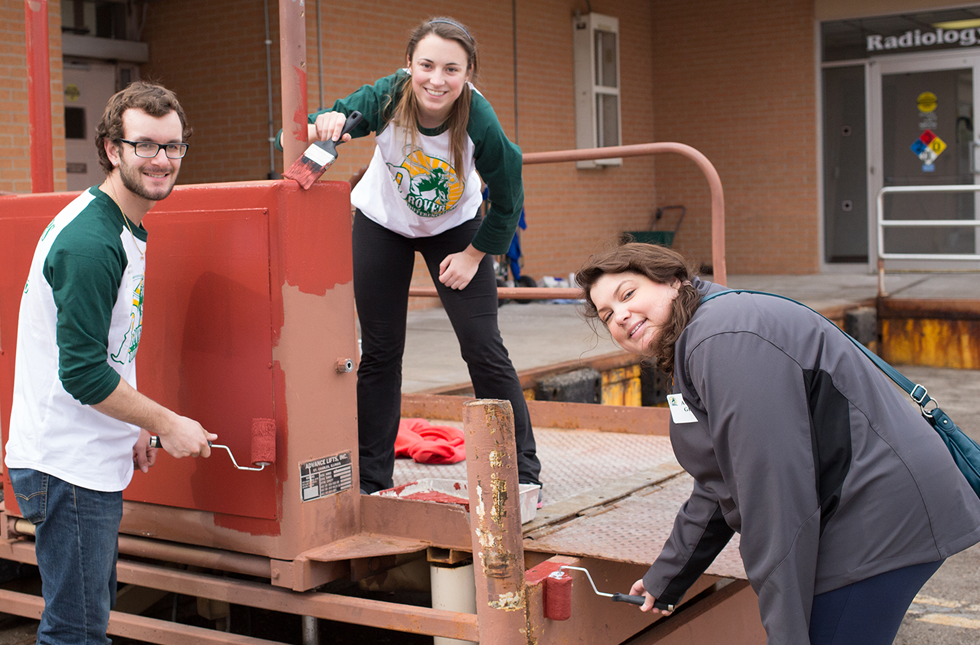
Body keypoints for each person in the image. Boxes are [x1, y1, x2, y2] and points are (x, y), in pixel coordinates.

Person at [575, 242, 980, 644]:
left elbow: (773, 495)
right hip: (867, 503)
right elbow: (721, 482)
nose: (621, 316)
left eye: (628, 294)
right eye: (607, 315)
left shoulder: (723, 340)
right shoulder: (699, 339)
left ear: (674, 280)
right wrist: (668, 576)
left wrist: (785, 634)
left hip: (879, 516)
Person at [276, 17, 541, 494]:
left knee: (483, 346)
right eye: (426, 65)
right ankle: (370, 481)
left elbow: (509, 196)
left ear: (468, 74)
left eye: (451, 70)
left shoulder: (479, 119)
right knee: (380, 352)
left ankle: (522, 475)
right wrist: (324, 121)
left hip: (456, 229)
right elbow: (294, 138)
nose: (437, 80)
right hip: (383, 225)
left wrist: (475, 254)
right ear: (409, 65)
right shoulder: (386, 96)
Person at [4, 81, 217, 645]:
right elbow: (82, 373)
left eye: (172, 147)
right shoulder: (92, 243)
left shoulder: (120, 224)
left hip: (83, 454)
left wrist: (135, 422)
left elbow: (110, 346)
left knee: (83, 622)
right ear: (111, 149)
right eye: (145, 145)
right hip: (66, 464)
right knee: (76, 633)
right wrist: (165, 421)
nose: (162, 161)